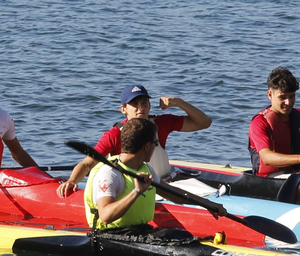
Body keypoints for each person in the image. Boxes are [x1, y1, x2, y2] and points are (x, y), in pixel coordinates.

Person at [56, 84, 213, 197]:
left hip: (165, 184)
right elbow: (87, 163)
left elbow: (204, 122)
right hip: (137, 189)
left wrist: (179, 102)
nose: (140, 108)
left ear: (150, 106)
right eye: (134, 104)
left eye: (144, 103)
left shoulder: (161, 123)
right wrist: (71, 181)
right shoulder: (114, 134)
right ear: (123, 109)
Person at [84, 118, 160, 230]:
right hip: (112, 234)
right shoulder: (110, 173)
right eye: (156, 143)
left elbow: (170, 192)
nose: (156, 147)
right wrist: (137, 191)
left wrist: (194, 200)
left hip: (141, 231)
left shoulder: (146, 168)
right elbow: (105, 216)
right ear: (147, 146)